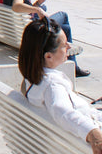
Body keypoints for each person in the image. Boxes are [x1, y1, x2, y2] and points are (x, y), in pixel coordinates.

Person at [18, 18, 102, 153]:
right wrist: (94, 135)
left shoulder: (31, 81)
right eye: (63, 45)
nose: (69, 46)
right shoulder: (52, 85)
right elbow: (62, 111)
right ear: (48, 56)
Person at [4, 0, 89, 77]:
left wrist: (38, 3)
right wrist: (38, 9)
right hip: (33, 31)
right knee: (63, 16)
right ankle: (73, 66)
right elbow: (16, 6)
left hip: (17, 29)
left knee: (64, 28)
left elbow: (23, 12)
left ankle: (73, 66)